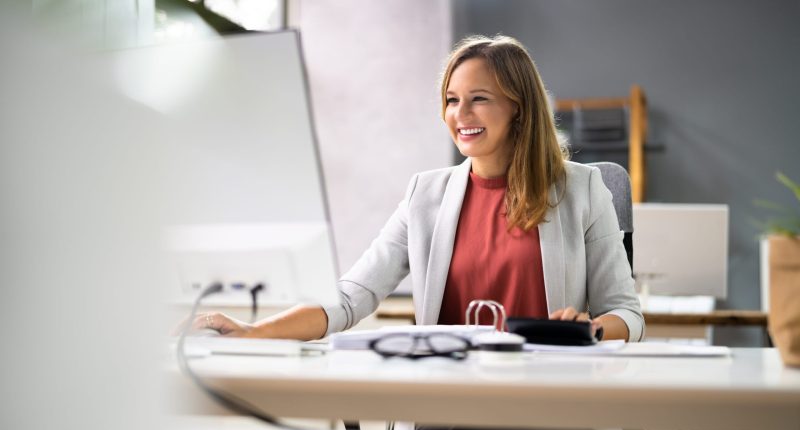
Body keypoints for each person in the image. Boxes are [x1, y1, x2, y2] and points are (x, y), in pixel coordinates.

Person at [193, 35, 644, 342]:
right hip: (447, 403)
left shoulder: (583, 189)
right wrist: (254, 333)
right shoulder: (424, 194)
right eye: (451, 100)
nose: (460, 113)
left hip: (552, 399)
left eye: (479, 99)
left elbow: (628, 314)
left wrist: (592, 329)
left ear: (519, 108)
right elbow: (350, 298)